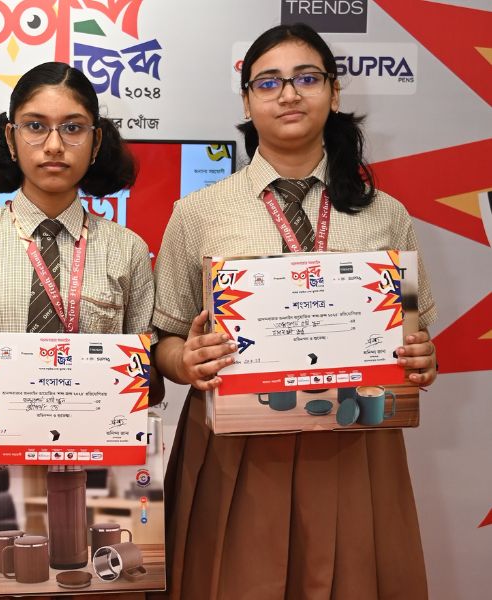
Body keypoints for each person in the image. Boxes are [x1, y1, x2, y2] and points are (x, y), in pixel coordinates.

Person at [150, 23, 438, 600]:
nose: (288, 94)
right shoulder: (199, 211)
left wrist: (421, 356)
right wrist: (188, 361)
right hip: (236, 448)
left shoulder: (385, 213)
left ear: (334, 92)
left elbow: (416, 329)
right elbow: (164, 340)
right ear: (246, 101)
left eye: (307, 78)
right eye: (269, 82)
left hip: (355, 439)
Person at [0, 61, 160, 599]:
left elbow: (150, 384)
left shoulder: (127, 250)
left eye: (73, 128)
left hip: (96, 482)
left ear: (96, 143)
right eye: (35, 126)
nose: (54, 144)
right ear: (11, 139)